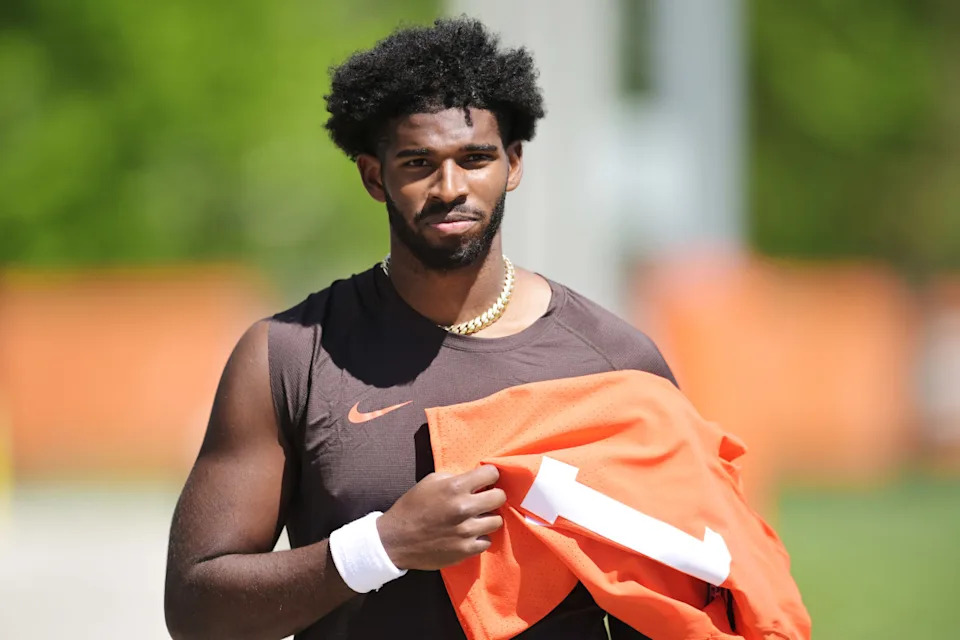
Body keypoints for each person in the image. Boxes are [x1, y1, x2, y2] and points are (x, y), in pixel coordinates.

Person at [165, 17, 678, 640]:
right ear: (374, 176)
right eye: (418, 162)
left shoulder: (615, 363)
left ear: (513, 163)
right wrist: (382, 546)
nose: (450, 187)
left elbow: (676, 606)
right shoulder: (288, 355)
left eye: (476, 158)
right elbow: (196, 611)